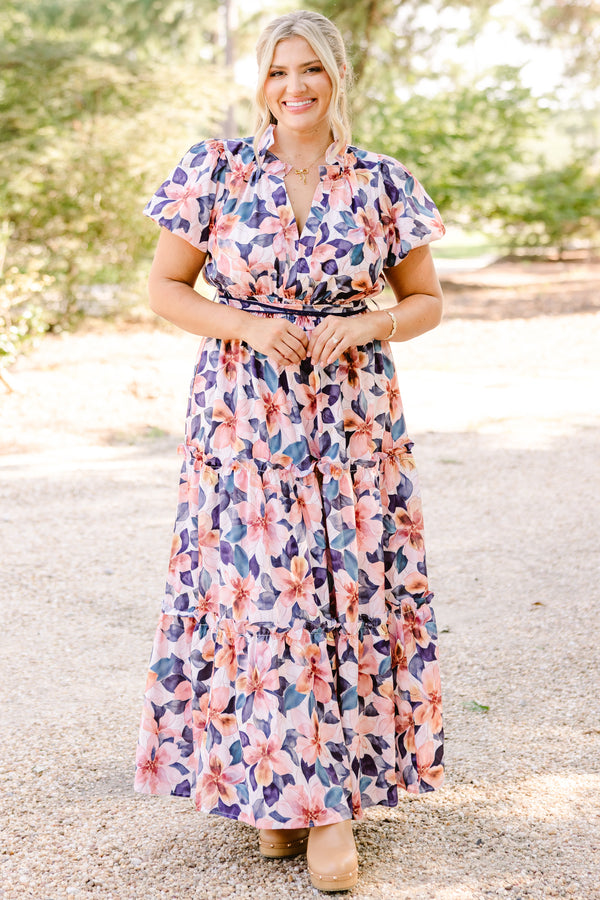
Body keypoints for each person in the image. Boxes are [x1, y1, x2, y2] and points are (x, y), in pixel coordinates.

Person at [134, 9, 445, 892]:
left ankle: (320, 807)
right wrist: (247, 326)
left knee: (342, 596)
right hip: (244, 422)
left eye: (310, 70)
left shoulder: (384, 182)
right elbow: (164, 285)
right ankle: (284, 796)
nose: (294, 87)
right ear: (261, 84)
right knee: (265, 598)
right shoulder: (217, 169)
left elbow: (425, 301)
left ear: (337, 76)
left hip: (354, 424)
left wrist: (365, 325)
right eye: (278, 72)